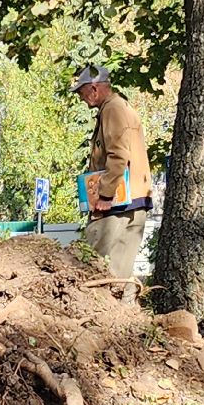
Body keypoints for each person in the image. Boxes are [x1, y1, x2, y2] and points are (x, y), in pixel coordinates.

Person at [71, 64, 153, 300]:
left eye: (81, 92)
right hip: (135, 199)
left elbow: (118, 155)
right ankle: (126, 315)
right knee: (121, 270)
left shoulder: (112, 109)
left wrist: (105, 194)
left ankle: (95, 315)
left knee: (92, 264)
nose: (81, 99)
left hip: (117, 202)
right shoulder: (122, 107)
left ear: (94, 89)